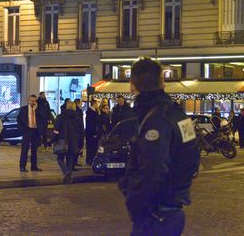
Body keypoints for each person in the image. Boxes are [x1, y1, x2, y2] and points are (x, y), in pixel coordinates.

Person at [118, 58, 200, 236]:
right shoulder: (179, 116)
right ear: (162, 82)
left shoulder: (155, 120)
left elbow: (152, 169)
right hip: (173, 208)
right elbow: (193, 156)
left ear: (133, 85)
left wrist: (135, 202)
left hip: (156, 212)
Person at [53, 102, 84, 184]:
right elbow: (81, 133)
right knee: (70, 159)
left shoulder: (61, 117)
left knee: (60, 158)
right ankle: (68, 178)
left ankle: (66, 172)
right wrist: (81, 144)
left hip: (62, 141)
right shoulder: (78, 118)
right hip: (74, 142)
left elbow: (56, 130)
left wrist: (54, 139)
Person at [17, 94, 47, 172]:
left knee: (34, 150)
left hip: (36, 131)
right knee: (25, 149)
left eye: (34, 101)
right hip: (27, 130)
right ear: (28, 101)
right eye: (30, 100)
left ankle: (34, 167)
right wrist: (22, 129)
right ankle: (22, 167)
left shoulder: (38, 109)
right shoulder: (23, 109)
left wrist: (36, 110)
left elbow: (44, 118)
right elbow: (19, 119)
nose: (32, 102)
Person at [85, 99, 100, 165]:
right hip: (91, 133)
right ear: (94, 104)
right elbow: (91, 124)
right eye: (97, 104)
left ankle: (90, 160)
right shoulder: (91, 113)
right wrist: (94, 133)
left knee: (91, 147)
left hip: (91, 133)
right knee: (91, 147)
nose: (97, 105)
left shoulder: (92, 112)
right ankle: (90, 160)